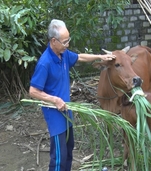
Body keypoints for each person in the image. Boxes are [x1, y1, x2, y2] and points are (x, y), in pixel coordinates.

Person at [29, 19, 115, 171]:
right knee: (59, 157)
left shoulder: (63, 54)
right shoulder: (45, 63)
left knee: (69, 149)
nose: (67, 44)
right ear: (53, 41)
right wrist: (54, 99)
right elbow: (33, 91)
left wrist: (100, 57)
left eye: (68, 40)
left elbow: (80, 57)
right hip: (55, 113)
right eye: (64, 42)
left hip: (67, 110)